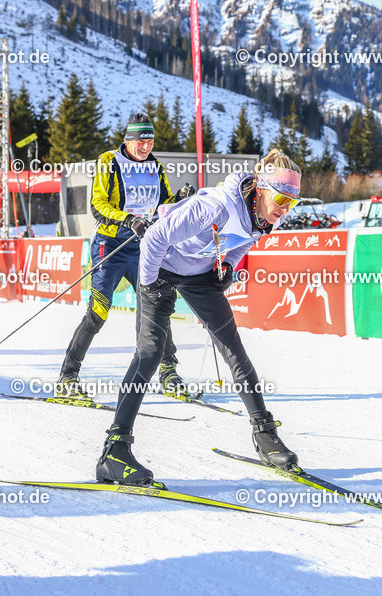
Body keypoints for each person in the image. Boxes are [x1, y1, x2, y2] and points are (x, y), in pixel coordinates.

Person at [94, 149, 302, 485]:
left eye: (292, 202)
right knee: (150, 353)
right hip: (160, 268)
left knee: (234, 349)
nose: (284, 208)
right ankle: (114, 452)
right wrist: (148, 284)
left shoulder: (265, 216)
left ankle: (265, 436)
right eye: (281, 198)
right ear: (261, 189)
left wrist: (227, 265)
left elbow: (245, 242)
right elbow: (154, 239)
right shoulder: (216, 206)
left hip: (200, 274)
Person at [57, 112, 196, 399]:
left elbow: (163, 205)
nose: (146, 146)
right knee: (99, 310)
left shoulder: (156, 167)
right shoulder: (109, 161)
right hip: (110, 245)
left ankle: (168, 371)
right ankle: (68, 376)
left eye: (150, 141)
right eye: (140, 141)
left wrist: (180, 198)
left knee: (156, 306)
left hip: (142, 247)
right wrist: (128, 219)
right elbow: (97, 205)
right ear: (128, 140)